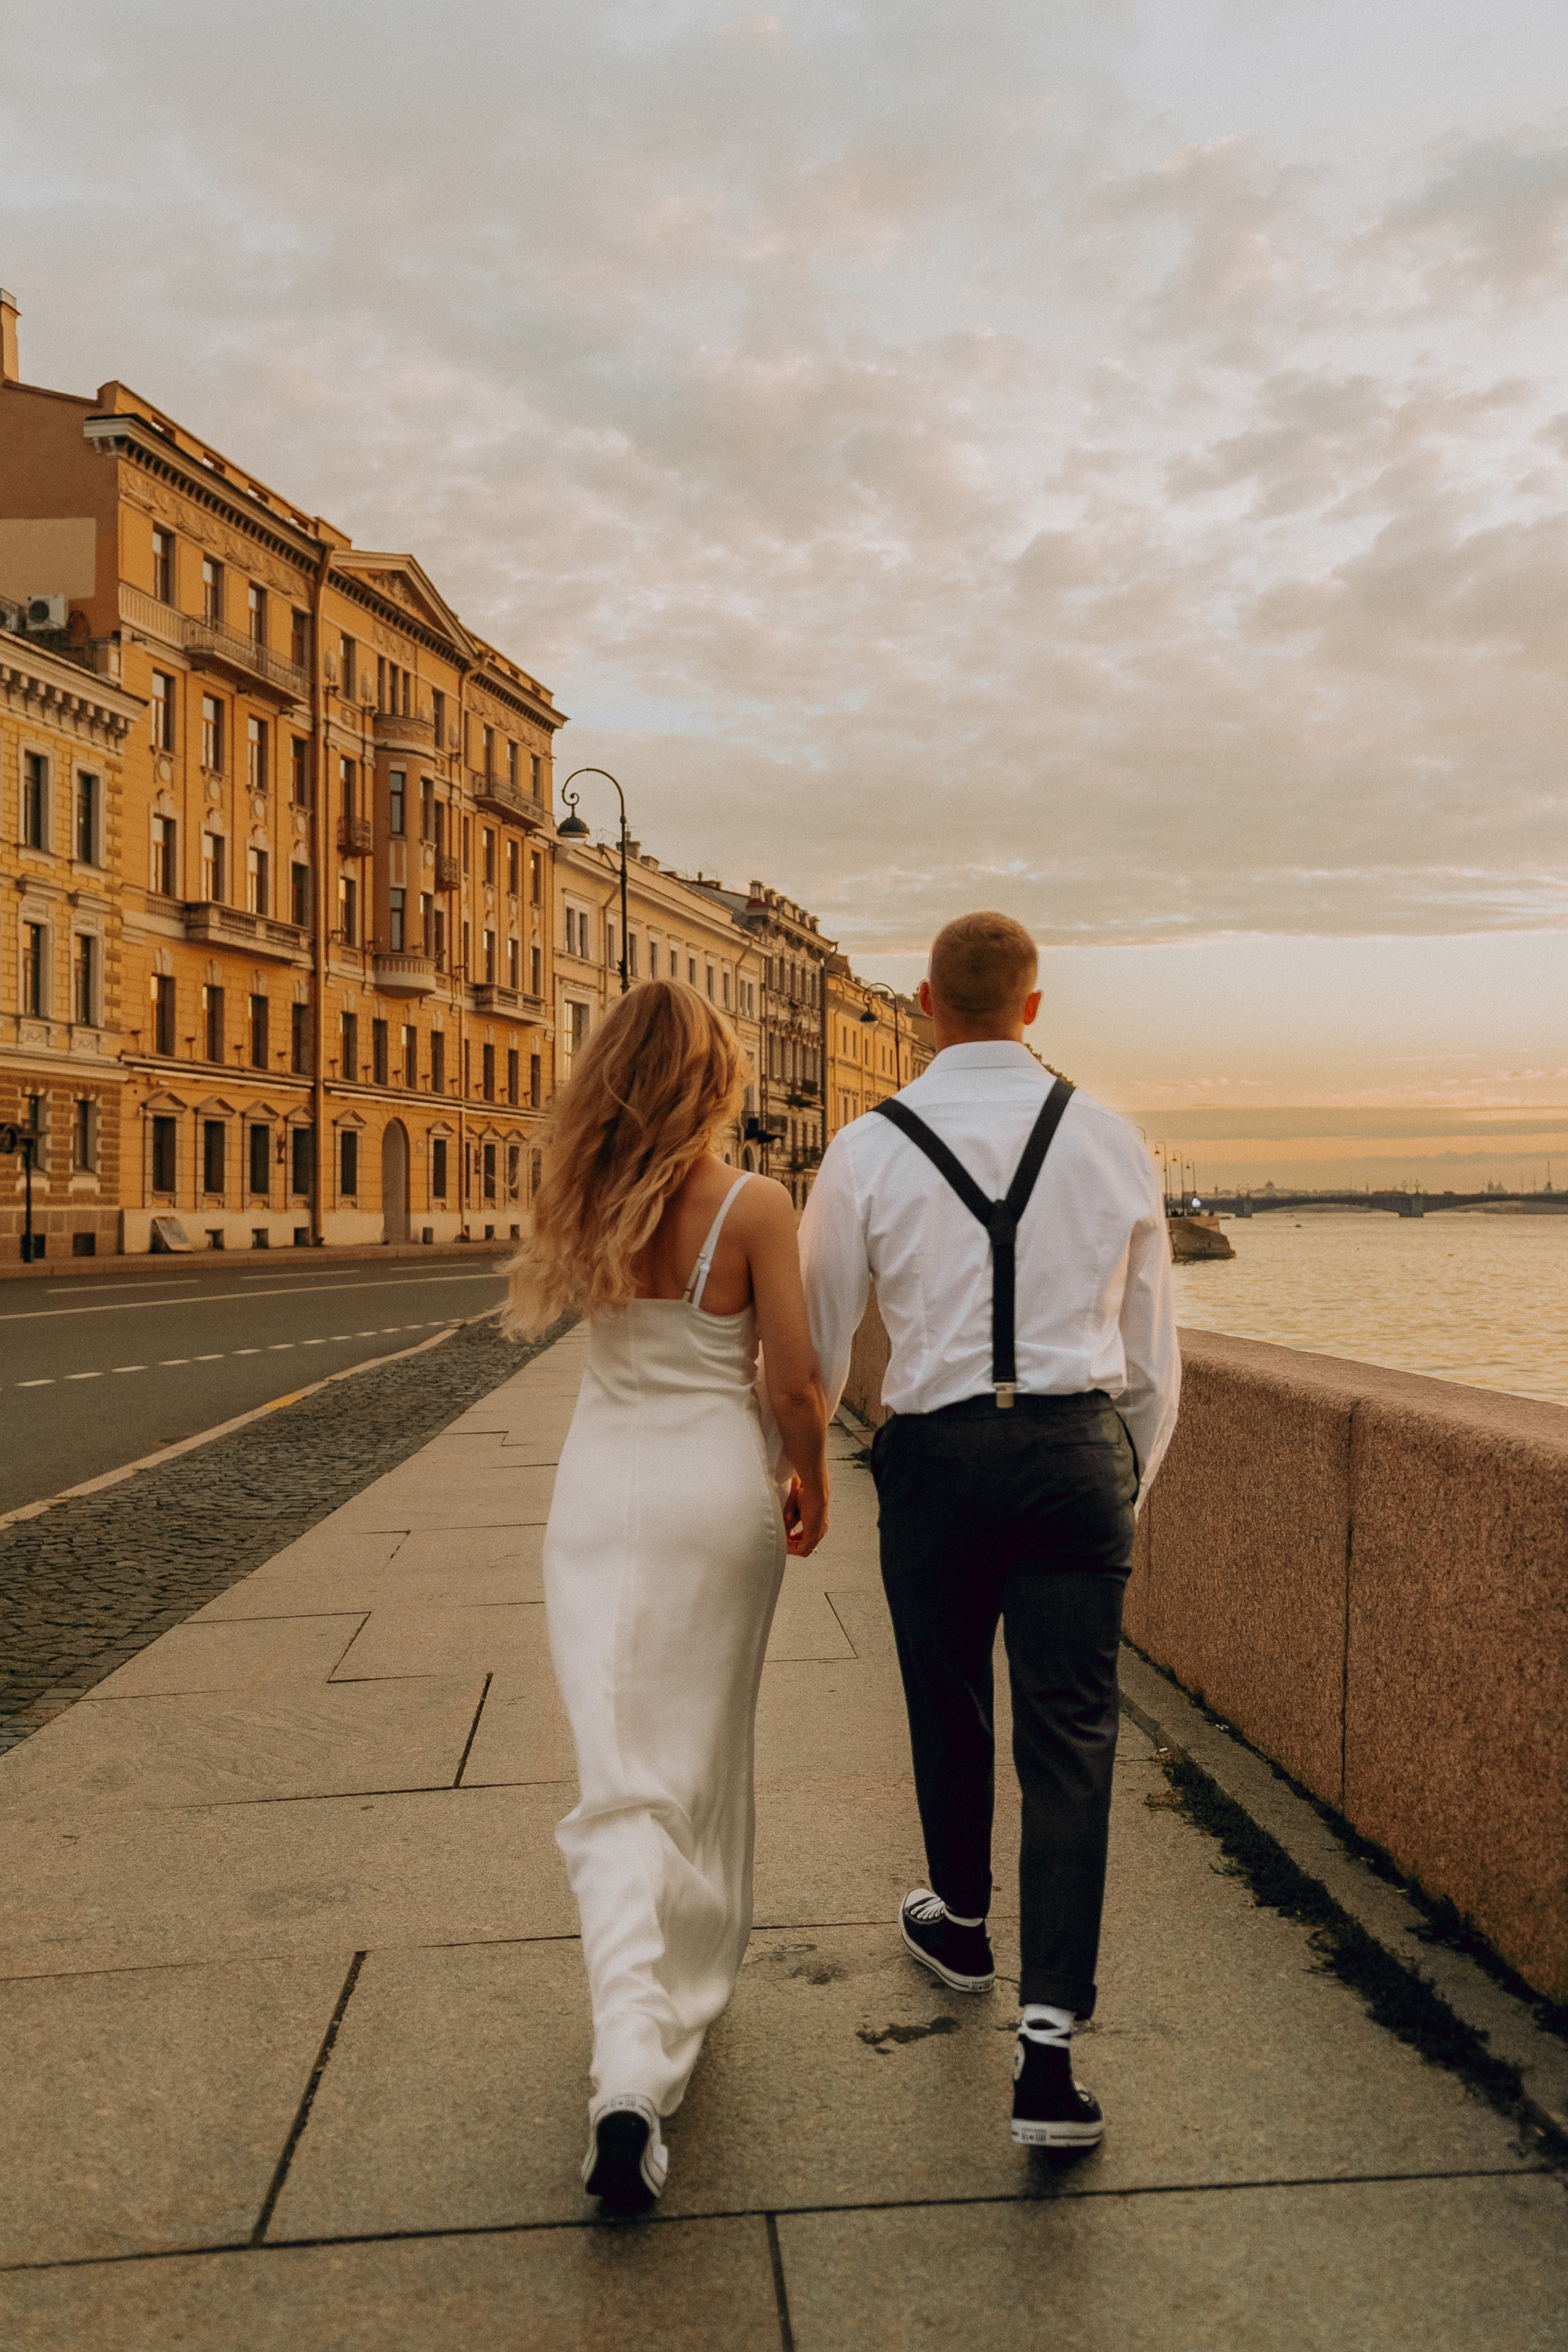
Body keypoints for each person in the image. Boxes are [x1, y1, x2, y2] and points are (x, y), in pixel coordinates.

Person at [799, 911, 1179, 2152]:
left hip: (937, 1456)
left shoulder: (865, 1148)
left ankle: (961, 1926)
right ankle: (1050, 2058)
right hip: (1075, 1454)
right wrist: (1126, 1482)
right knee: (1072, 1739)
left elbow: (818, 1335)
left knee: (947, 1698)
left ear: (921, 1004)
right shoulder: (1112, 1140)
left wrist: (801, 1458)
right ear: (1032, 1006)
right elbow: (1154, 1363)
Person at [507, 980, 829, 2213]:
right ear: (712, 1079)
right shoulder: (751, 1205)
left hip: (597, 1491)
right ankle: (649, 2041)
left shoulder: (578, 1194)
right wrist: (807, 1477)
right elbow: (794, 1381)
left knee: (616, 1770)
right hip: (709, 1496)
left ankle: (634, 2052)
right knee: (696, 1757)